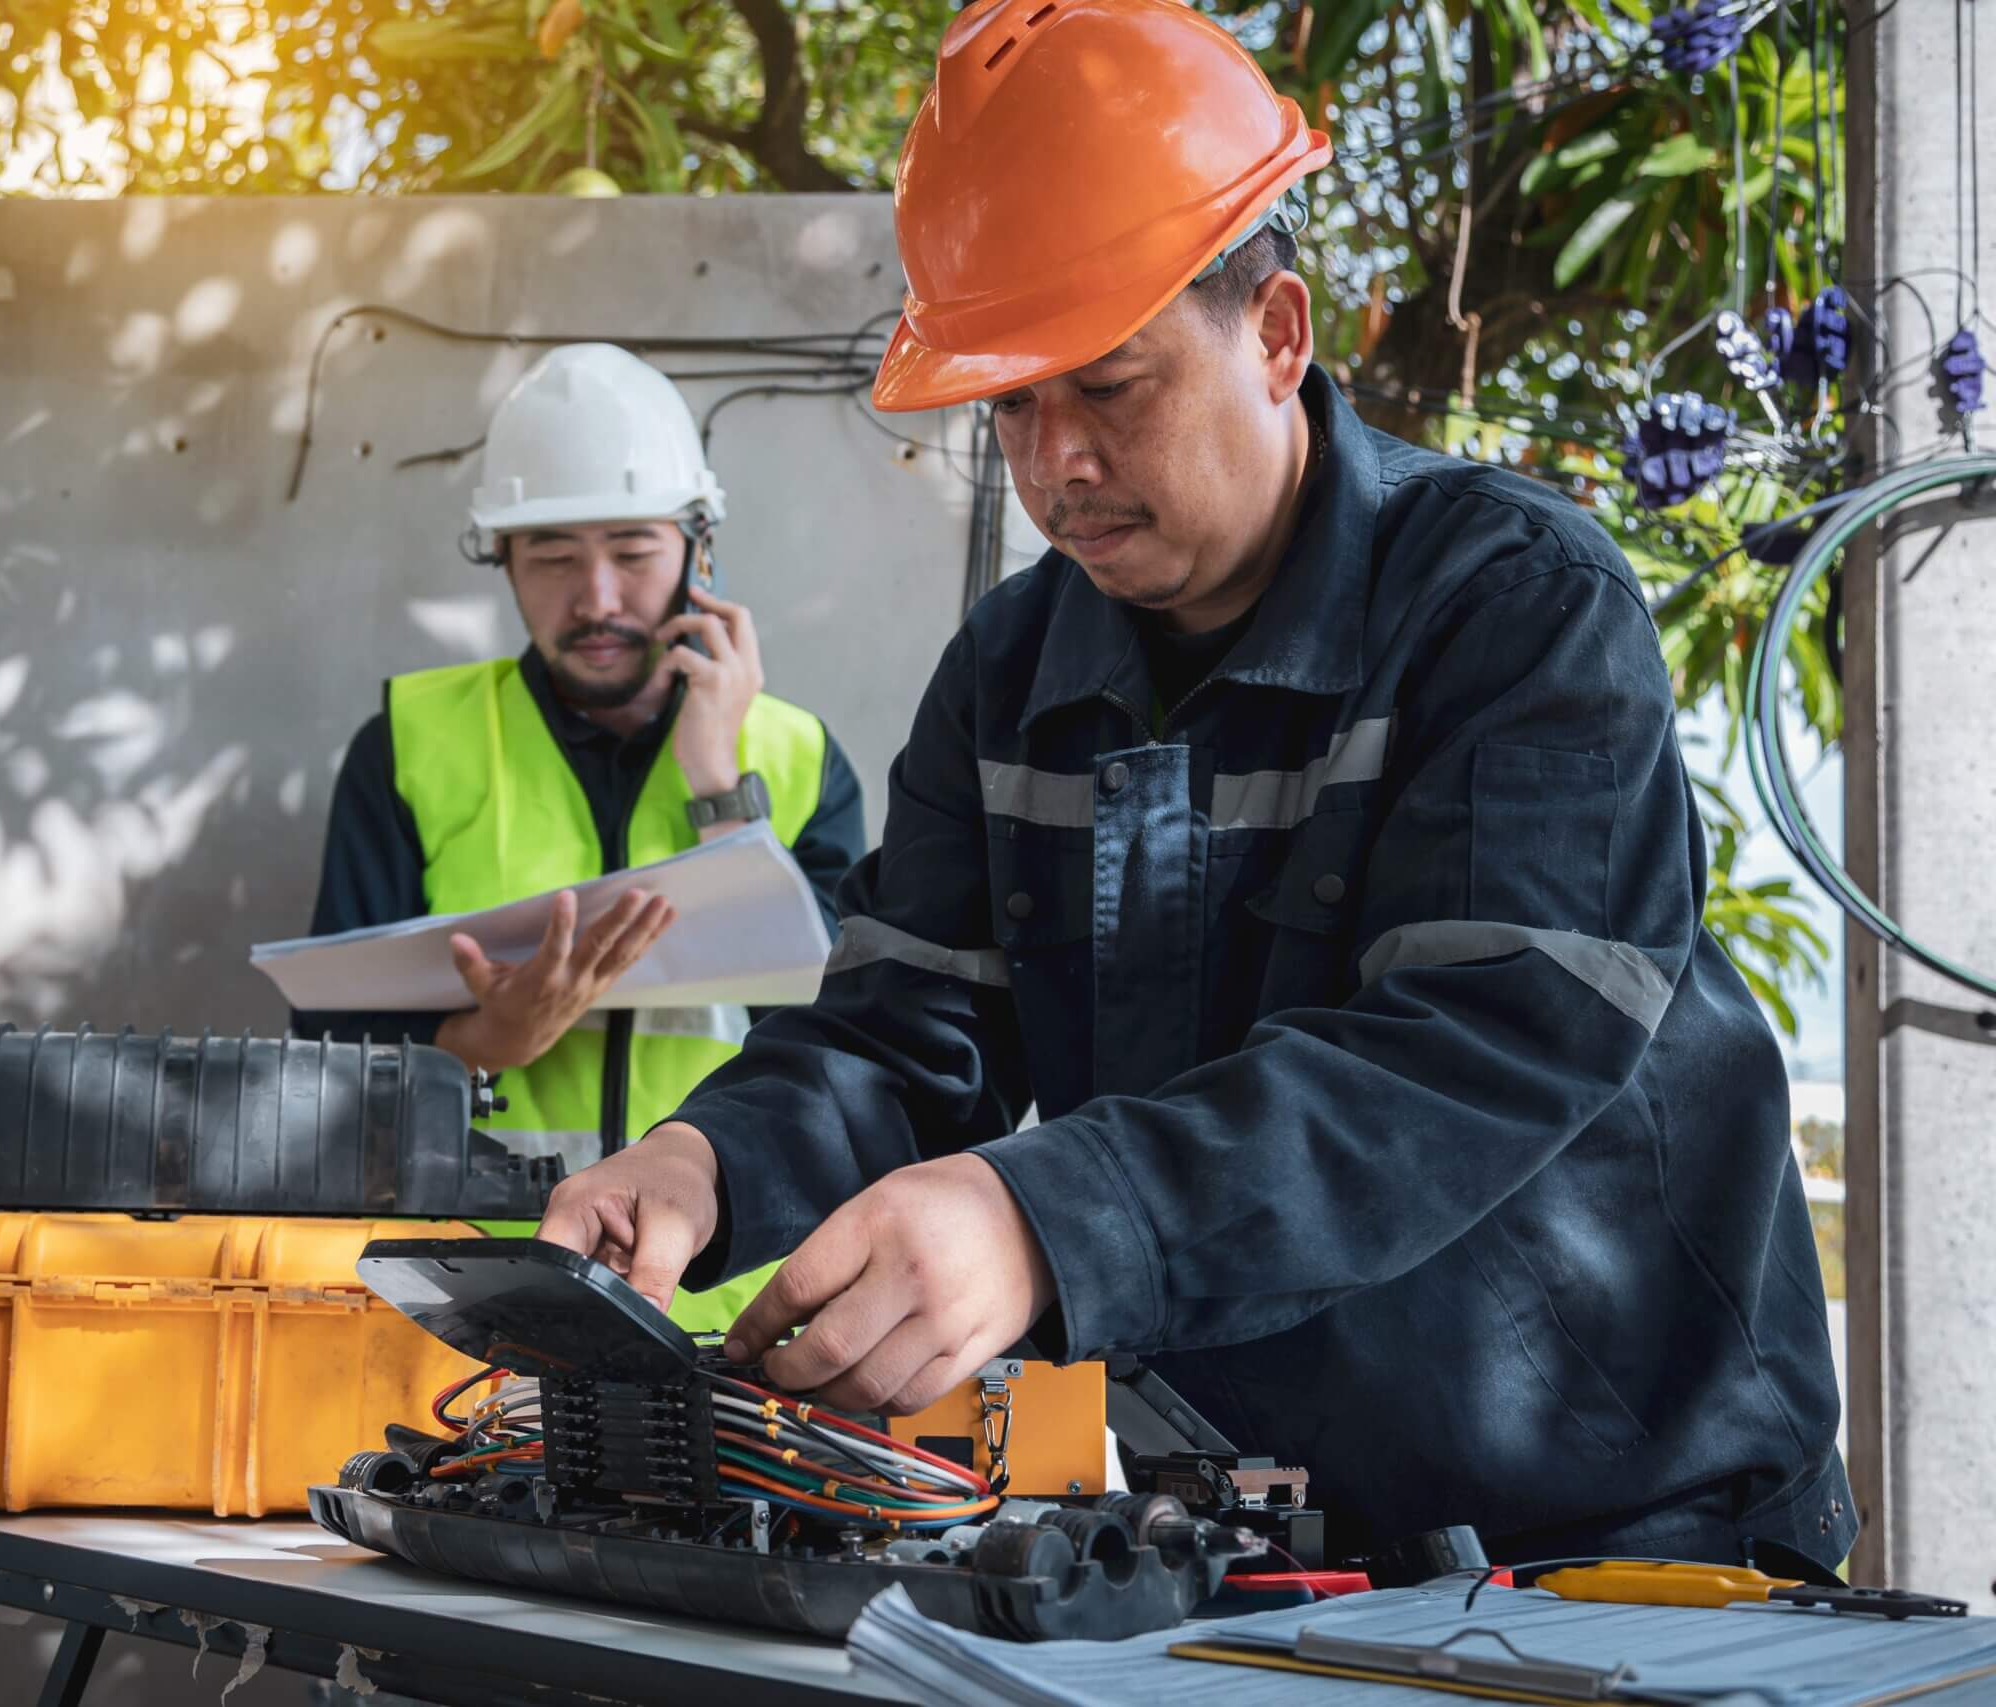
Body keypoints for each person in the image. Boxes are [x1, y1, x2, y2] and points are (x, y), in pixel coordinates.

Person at [537, 0, 1852, 1568]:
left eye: (1108, 385)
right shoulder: (1013, 673)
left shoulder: (1517, 608)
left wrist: (1043, 1216)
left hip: (1637, 1530)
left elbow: (1477, 1048)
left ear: (1279, 334)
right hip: (1273, 1533)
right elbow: (905, 1034)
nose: (1053, 466)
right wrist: (710, 1159)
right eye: (1010, 404)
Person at [296, 342, 867, 1328]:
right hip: (472, 1304)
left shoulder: (800, 757)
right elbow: (323, 1053)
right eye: (553, 555)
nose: (596, 597)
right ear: (503, 560)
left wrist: (721, 788)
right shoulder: (409, 745)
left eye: (633, 552)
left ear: (698, 550)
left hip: (733, 1314)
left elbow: (851, 1040)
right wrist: (478, 1045)